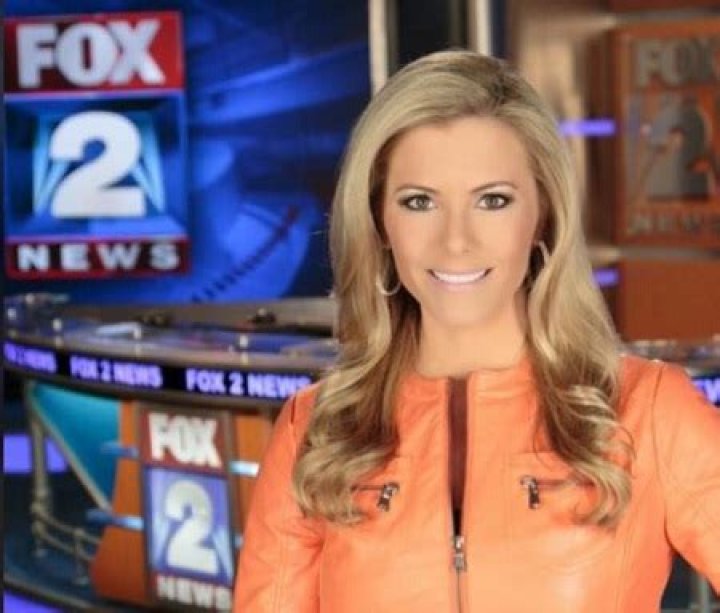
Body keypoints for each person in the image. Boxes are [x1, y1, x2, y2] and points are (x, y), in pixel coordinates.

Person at [233, 50, 720, 612]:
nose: (456, 241)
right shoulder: (314, 431)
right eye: (419, 202)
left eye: (492, 200)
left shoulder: (648, 411)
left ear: (542, 215)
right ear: (380, 222)